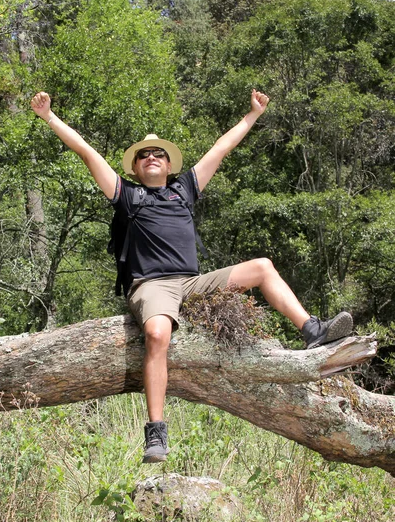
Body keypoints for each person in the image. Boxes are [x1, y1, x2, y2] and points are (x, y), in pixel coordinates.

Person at [30, 90, 353, 463]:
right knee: (156, 333)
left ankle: (312, 330)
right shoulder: (128, 196)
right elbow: (88, 153)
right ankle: (156, 432)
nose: (151, 158)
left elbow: (221, 148)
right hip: (152, 286)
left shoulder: (183, 190)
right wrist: (50, 117)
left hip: (193, 283)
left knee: (263, 266)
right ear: (135, 169)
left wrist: (253, 114)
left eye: (159, 154)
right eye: (144, 156)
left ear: (169, 166)